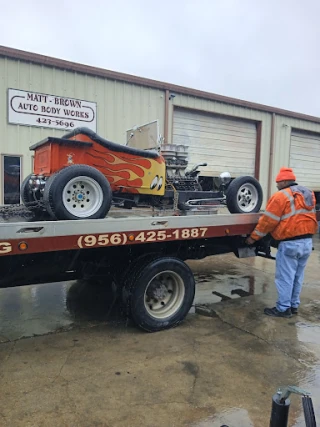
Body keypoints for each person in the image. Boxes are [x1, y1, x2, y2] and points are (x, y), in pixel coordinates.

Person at [246, 167, 318, 318]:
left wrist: (253, 237)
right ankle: (293, 305)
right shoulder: (307, 193)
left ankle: (283, 308)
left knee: (285, 277)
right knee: (298, 276)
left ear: (284, 181)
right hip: (306, 241)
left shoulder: (281, 196)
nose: (277, 185)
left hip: (290, 243)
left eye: (278, 182)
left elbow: (268, 221)